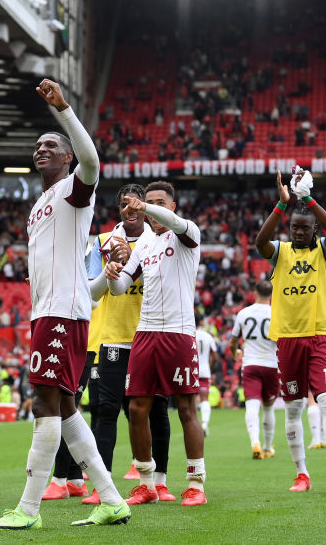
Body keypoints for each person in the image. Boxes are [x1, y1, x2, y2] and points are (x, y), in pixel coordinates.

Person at [0, 79, 130, 529]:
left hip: (61, 313)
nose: (41, 149)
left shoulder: (73, 191)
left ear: (67, 157)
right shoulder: (38, 206)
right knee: (64, 407)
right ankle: (112, 500)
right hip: (49, 312)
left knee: (43, 403)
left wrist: (63, 110)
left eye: (51, 145)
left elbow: (92, 162)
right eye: (38, 146)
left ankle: (28, 510)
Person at [254, 166, 326, 493]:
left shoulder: (325, 252)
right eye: (295, 227)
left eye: (305, 228)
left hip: (320, 335)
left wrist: (308, 199)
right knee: (295, 407)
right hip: (287, 339)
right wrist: (282, 205)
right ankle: (302, 474)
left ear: (314, 230)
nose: (299, 232)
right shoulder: (280, 252)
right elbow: (260, 242)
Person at [105, 181, 207, 507]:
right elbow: (121, 287)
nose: (149, 208)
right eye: (147, 202)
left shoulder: (187, 233)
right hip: (145, 333)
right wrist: (111, 272)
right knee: (137, 409)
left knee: (186, 408)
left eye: (159, 202)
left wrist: (144, 206)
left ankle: (196, 484)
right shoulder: (145, 244)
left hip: (179, 332)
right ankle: (146, 483)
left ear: (172, 206)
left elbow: (173, 223)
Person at [78, 184, 174, 504]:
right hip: (114, 337)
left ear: (144, 207)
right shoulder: (103, 241)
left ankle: (159, 483)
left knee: (156, 410)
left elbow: (164, 282)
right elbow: (91, 294)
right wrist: (108, 273)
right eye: (124, 205)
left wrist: (132, 263)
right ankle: (102, 486)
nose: (130, 210)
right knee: (105, 411)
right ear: (119, 208)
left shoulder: (159, 239)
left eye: (136, 204)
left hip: (151, 335)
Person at [228, 280, 278, 459]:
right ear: (271, 295)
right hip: (271, 364)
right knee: (268, 408)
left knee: (252, 405)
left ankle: (254, 442)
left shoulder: (244, 313)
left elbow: (233, 341)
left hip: (250, 365)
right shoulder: (276, 313)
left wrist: (235, 353)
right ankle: (267, 447)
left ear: (255, 293)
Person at [195, 319, 216, 437]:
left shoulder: (190, 334)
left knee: (190, 399)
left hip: (191, 370)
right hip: (204, 371)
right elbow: (215, 356)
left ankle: (193, 425)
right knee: (204, 399)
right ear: (201, 322)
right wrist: (209, 367)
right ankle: (204, 424)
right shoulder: (208, 336)